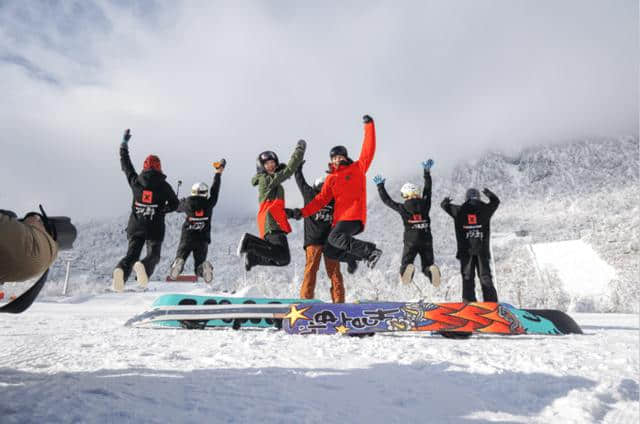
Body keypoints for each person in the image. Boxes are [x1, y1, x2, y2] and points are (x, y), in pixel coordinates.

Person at [290, 115, 382, 277]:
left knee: (335, 237)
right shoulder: (331, 179)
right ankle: (359, 257)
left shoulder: (357, 168)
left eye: (340, 157)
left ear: (345, 157)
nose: (337, 160)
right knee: (330, 251)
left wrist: (369, 126)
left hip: (353, 216)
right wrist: (302, 212)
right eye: (334, 158)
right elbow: (320, 200)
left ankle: (370, 251)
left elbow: (369, 149)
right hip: (340, 220)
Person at [112, 129, 179, 292]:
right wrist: (164, 208)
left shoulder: (135, 181)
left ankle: (121, 270)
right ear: (159, 167)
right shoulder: (164, 186)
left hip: (136, 226)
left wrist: (124, 144)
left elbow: (125, 165)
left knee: (131, 254)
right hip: (154, 228)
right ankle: (143, 267)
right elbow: (175, 204)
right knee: (153, 255)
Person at [236, 140, 306, 271]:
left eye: (273, 163)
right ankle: (249, 243)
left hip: (272, 220)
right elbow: (289, 170)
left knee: (283, 260)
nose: (271, 166)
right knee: (283, 257)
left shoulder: (272, 183)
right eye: (267, 164)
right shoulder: (266, 179)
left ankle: (253, 257)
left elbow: (274, 206)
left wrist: (292, 213)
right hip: (272, 221)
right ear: (261, 166)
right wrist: (299, 151)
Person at [373, 159, 440, 286]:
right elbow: (428, 189)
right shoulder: (425, 204)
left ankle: (406, 273)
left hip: (411, 241)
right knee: (428, 264)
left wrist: (380, 186)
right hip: (426, 239)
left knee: (407, 263)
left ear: (406, 194)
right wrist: (426, 172)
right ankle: (431, 271)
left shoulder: (403, 208)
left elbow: (388, 201)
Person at [289, 160, 344, 303]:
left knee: (311, 270)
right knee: (334, 272)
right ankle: (339, 302)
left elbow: (300, 181)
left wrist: (298, 168)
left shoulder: (311, 195)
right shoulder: (334, 198)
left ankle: (306, 300)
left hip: (316, 241)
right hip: (329, 241)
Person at [169, 159, 226, 284]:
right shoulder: (209, 203)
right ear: (205, 193)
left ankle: (178, 262)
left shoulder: (187, 203)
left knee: (181, 256)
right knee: (198, 266)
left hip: (187, 237)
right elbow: (215, 190)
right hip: (202, 239)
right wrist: (218, 173)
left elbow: (176, 207)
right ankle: (203, 267)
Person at [441, 187, 500, 303]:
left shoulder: (459, 210)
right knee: (485, 277)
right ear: (478, 197)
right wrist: (489, 194)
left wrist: (446, 201)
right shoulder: (485, 209)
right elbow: (496, 202)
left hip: (465, 252)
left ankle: (469, 302)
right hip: (482, 251)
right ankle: (491, 303)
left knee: (467, 278)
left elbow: (444, 206)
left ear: (466, 198)